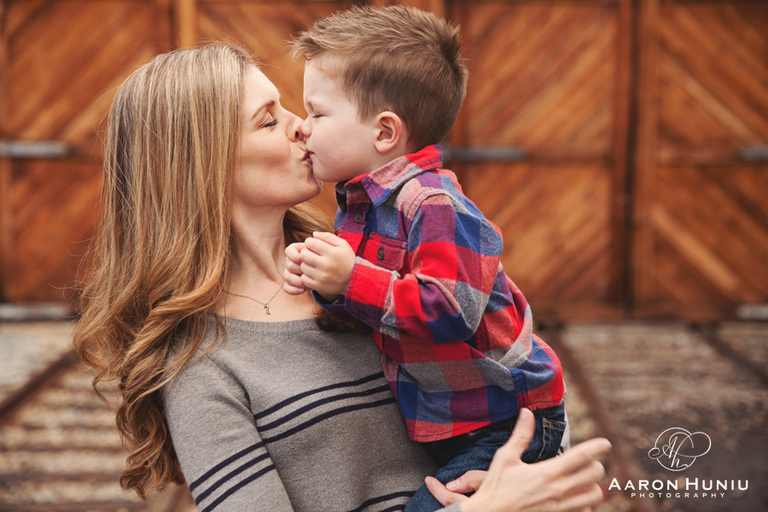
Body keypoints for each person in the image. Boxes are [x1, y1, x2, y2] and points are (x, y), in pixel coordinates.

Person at [73, 42, 610, 512]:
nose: (301, 125)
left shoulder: (368, 263)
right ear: (201, 165)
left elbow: (491, 366)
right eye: (268, 119)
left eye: (293, 108)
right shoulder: (201, 366)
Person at [283, 7, 565, 511]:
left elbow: (451, 310)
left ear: (385, 132)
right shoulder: (360, 207)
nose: (303, 128)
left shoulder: (434, 202)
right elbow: (381, 311)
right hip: (446, 416)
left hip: (506, 419)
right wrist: (326, 285)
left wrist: (351, 279)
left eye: (317, 113)